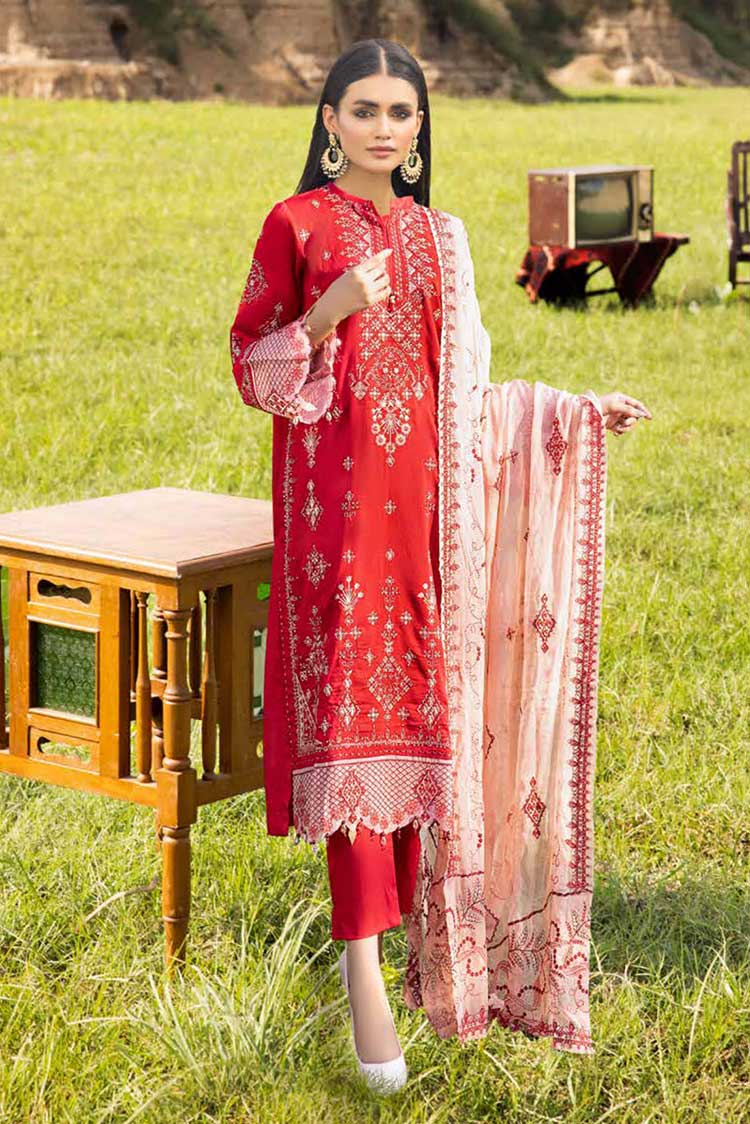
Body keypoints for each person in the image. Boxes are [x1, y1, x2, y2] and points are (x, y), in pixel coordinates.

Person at [229, 38, 651, 1095]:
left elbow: (469, 395)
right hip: (338, 535)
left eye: (401, 112)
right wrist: (326, 313)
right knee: (354, 753)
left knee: (427, 745)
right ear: (330, 121)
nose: (383, 128)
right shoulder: (295, 225)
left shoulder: (441, 238)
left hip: (433, 530)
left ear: (420, 129)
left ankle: (428, 947)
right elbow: (253, 368)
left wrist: (571, 416)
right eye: (364, 109)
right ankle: (362, 971)